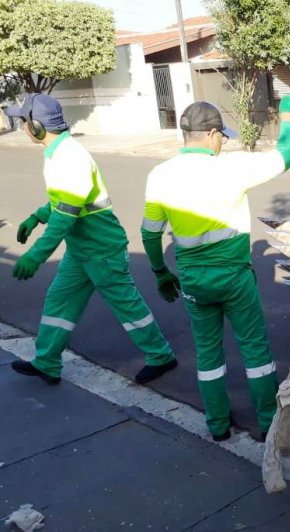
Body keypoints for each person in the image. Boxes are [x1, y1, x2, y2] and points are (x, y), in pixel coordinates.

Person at [141, 96, 290, 441]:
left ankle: (217, 425)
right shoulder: (232, 167)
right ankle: (267, 424)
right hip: (234, 278)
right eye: (222, 137)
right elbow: (287, 154)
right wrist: (287, 113)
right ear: (212, 134)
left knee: (208, 353)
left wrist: (160, 272)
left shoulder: (160, 175)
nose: (222, 143)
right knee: (255, 350)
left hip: (194, 282)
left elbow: (149, 233)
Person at [5, 94, 178, 385]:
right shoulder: (58, 153)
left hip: (102, 250)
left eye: (24, 121)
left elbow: (66, 215)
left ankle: (161, 356)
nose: (22, 126)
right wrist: (37, 216)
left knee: (128, 306)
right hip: (81, 250)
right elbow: (63, 201)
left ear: (35, 126)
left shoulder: (69, 157)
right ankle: (47, 361)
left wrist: (36, 255)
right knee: (59, 301)